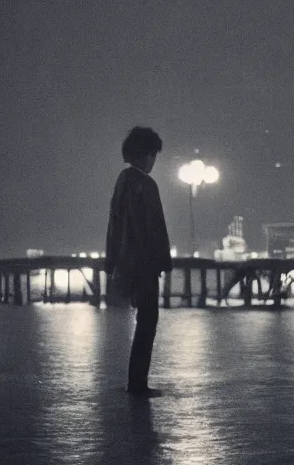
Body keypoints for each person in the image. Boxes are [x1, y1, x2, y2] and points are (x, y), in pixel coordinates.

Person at [104, 126, 172, 396]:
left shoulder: (122, 181)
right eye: (153, 155)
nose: (154, 161)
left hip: (126, 262)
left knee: (142, 321)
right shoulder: (146, 184)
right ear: (146, 155)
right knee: (148, 321)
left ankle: (135, 382)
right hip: (145, 263)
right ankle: (138, 383)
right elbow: (156, 228)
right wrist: (163, 263)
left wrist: (111, 262)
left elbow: (113, 225)